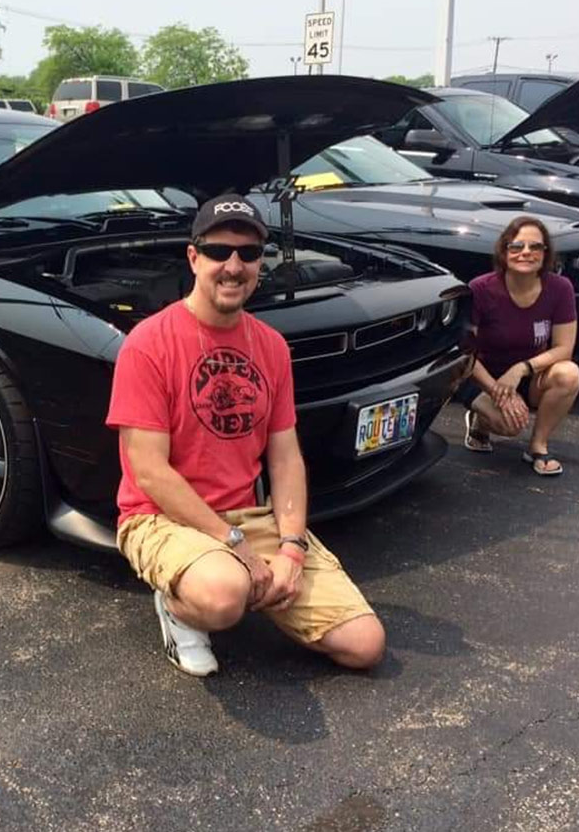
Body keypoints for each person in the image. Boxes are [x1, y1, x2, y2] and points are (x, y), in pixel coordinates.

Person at [105, 194, 385, 677]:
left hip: (245, 516)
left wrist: (292, 549)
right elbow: (149, 471)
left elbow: (285, 458)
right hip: (160, 519)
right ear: (193, 257)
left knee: (365, 645)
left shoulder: (271, 346)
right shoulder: (147, 344)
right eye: (218, 252)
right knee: (222, 595)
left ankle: (234, 575)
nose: (233, 266)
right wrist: (236, 547)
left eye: (249, 254)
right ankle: (178, 607)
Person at [455, 216, 579, 475]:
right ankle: (480, 421)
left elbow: (563, 348)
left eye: (535, 247)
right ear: (504, 251)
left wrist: (521, 369)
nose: (526, 252)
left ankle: (538, 445)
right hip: (482, 376)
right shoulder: (481, 289)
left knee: (569, 374)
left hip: (525, 375)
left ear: (546, 254)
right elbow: (465, 352)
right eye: (517, 246)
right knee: (509, 426)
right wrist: (496, 390)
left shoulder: (560, 288)